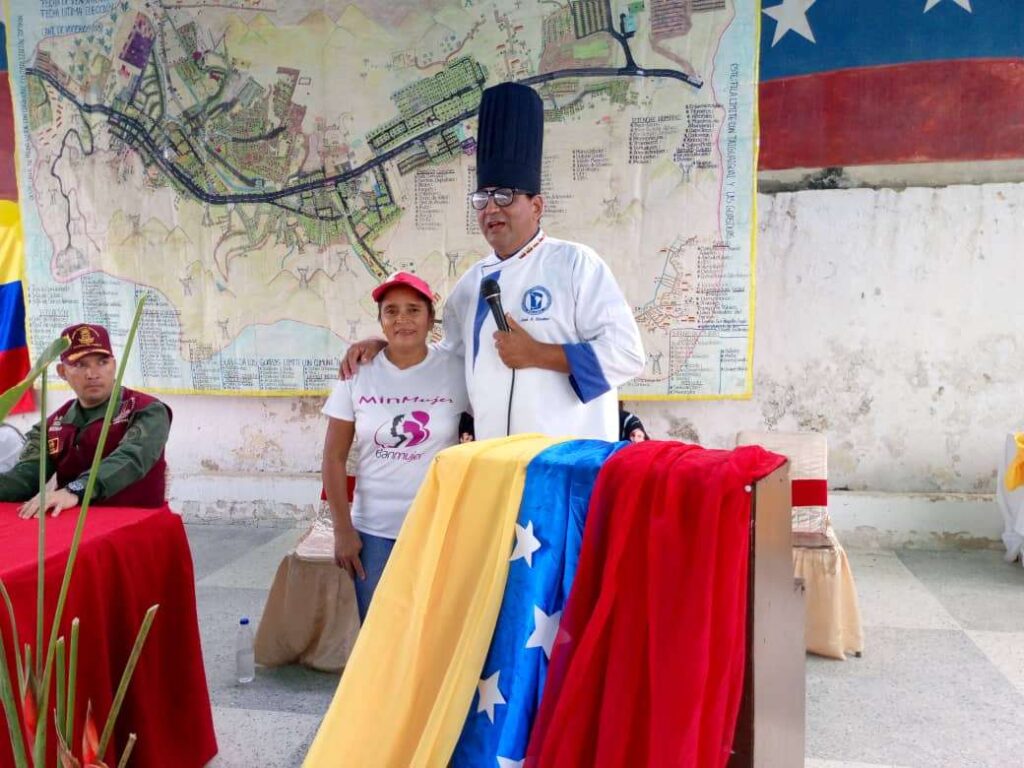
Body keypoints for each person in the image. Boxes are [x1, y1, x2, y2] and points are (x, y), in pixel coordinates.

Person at [344, 82, 644, 440]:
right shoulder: (471, 285)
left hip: (567, 465)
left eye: (505, 195)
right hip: (494, 466)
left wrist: (538, 353)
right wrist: (388, 347)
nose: (491, 208)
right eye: (482, 198)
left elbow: (626, 354)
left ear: (536, 206)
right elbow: (447, 361)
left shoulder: (576, 265)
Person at [321, 272, 469, 621]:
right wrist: (343, 530)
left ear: (431, 319)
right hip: (373, 531)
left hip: (437, 526)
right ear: (381, 321)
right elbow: (333, 457)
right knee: (377, 632)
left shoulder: (456, 370)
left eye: (413, 310)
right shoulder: (356, 372)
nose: (402, 319)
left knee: (431, 626)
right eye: (391, 311)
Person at [0, 323, 172, 517]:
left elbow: (131, 458)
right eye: (80, 365)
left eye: (102, 362)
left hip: (135, 522)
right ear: (62, 372)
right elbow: (25, 478)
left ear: (114, 365)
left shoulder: (146, 410)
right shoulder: (52, 424)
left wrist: (74, 490)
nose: (92, 374)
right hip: (72, 526)